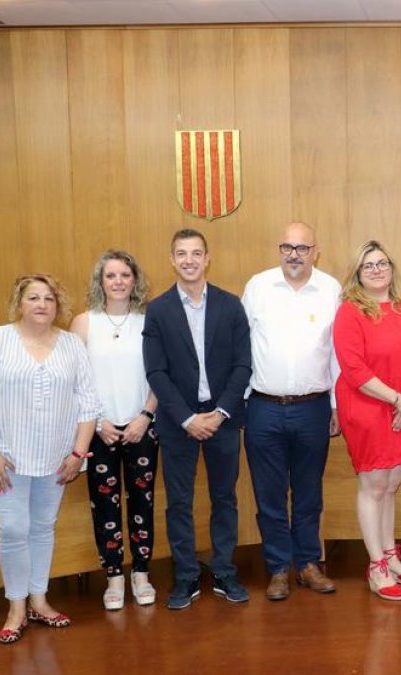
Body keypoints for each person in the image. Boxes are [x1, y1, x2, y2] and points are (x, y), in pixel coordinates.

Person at [0, 274, 101, 643]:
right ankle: (16, 607)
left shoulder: (71, 345)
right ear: (19, 303)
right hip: (7, 461)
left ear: (58, 305)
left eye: (49, 299)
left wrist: (78, 453)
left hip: (57, 459)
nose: (42, 304)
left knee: (42, 528)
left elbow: (88, 404)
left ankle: (39, 600)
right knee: (13, 530)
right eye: (33, 298)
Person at [143, 228, 252, 609]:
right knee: (179, 502)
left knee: (225, 498)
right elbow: (156, 373)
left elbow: (243, 365)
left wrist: (219, 413)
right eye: (181, 253)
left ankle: (223, 570)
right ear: (172, 260)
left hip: (223, 418)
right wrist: (188, 418)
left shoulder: (230, 305)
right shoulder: (157, 311)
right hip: (177, 423)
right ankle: (186, 575)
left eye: (196, 253)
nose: (189, 260)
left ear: (208, 259)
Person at [242, 223, 340, 601]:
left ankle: (308, 563)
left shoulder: (331, 290)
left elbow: (337, 354)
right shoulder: (258, 287)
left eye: (302, 247)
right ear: (279, 249)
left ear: (316, 251)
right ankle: (278, 568)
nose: (294, 254)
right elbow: (240, 346)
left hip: (313, 408)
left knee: (308, 493)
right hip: (263, 407)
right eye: (287, 246)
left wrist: (335, 405)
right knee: (268, 495)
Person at [334, 240, 401, 601]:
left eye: (382, 263)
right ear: (358, 274)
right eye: (368, 265)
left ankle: (391, 556)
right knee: (373, 486)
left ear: (392, 268)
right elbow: (354, 368)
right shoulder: (350, 311)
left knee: (391, 485)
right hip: (369, 406)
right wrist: (399, 400)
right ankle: (376, 565)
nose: (376, 270)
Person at [70, 251, 160, 609]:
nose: (119, 281)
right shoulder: (83, 323)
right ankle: (114, 577)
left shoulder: (149, 320)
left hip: (142, 426)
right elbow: (76, 381)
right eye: (111, 276)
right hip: (99, 429)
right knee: (104, 506)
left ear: (134, 280)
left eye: (125, 275)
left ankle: (141, 573)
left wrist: (146, 415)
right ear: (101, 281)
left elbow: (160, 374)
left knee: (143, 501)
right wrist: (99, 420)